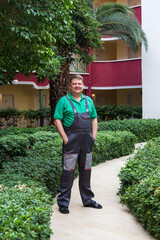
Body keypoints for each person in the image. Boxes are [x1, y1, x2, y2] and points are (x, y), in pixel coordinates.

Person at [53, 74, 102, 214]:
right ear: (70, 86)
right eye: (74, 84)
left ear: (83, 85)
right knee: (68, 172)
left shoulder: (88, 101)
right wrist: (65, 139)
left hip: (86, 142)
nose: (77, 86)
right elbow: (57, 120)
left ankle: (88, 200)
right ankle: (63, 203)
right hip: (71, 141)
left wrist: (94, 137)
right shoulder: (64, 101)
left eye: (79, 84)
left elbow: (94, 119)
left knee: (86, 171)